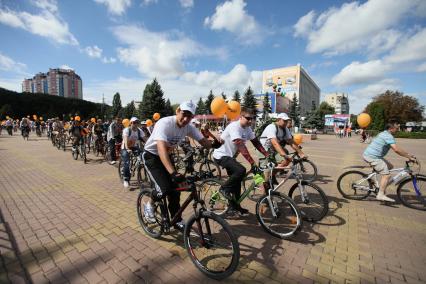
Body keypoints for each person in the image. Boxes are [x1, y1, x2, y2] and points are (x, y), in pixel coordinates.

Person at [142, 101, 212, 230]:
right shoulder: (164, 123)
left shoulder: (189, 127)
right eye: (184, 114)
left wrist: (216, 144)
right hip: (152, 156)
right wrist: (173, 173)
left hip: (166, 157)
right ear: (178, 111)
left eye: (190, 116)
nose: (186, 119)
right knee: (164, 189)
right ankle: (149, 205)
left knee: (176, 190)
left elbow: (203, 141)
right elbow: (161, 149)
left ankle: (176, 219)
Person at [212, 108, 269, 215]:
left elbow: (256, 142)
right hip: (220, 155)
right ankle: (224, 189)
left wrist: (267, 155)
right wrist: (252, 163)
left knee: (237, 180)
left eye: (252, 119)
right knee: (241, 170)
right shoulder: (234, 126)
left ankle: (234, 206)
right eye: (248, 118)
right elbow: (240, 144)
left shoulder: (247, 129)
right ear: (241, 117)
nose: (250, 121)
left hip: (229, 156)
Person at [363, 121, 417, 202]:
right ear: (391, 129)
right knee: (387, 176)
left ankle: (379, 184)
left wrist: (409, 155)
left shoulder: (383, 133)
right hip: (372, 157)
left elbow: (398, 149)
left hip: (373, 155)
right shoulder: (388, 136)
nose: (398, 129)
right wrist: (409, 157)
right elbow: (396, 150)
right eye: (396, 128)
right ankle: (380, 195)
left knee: (390, 167)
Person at [259, 113, 305, 189]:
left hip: (273, 149)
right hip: (263, 149)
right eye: (284, 121)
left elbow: (291, 142)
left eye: (287, 121)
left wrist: (301, 153)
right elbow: (275, 143)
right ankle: (265, 196)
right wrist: (284, 154)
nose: (286, 123)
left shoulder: (285, 129)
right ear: (278, 120)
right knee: (266, 173)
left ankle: (272, 175)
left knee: (286, 161)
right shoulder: (272, 127)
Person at [121, 117, 147, 188]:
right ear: (131, 123)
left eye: (137, 123)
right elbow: (125, 140)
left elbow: (145, 139)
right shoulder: (127, 130)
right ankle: (126, 179)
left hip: (134, 147)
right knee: (127, 162)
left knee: (143, 156)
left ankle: (137, 167)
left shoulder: (139, 131)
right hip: (125, 147)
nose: (135, 124)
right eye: (134, 123)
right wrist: (127, 149)